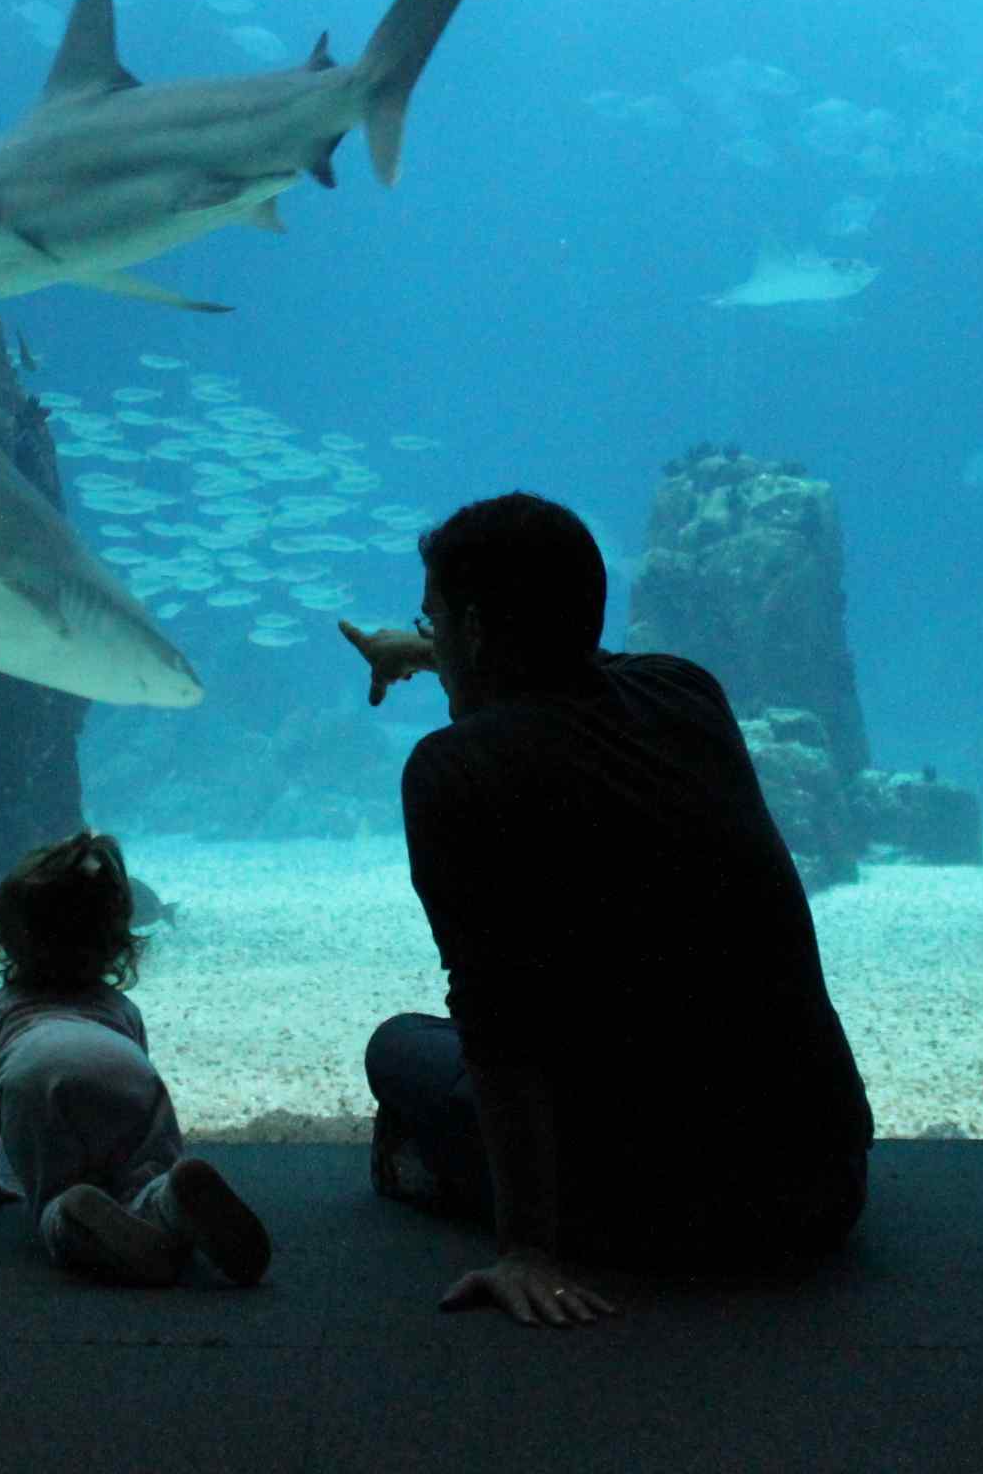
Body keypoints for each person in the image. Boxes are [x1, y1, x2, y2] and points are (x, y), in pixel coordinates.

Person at [341, 492, 873, 1326]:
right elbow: (570, 662)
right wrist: (432, 649)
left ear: (474, 631)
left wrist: (527, 1249)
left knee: (399, 1049)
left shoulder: (452, 770)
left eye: (434, 618)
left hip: (643, 1213)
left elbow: (498, 1018)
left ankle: (440, 1170)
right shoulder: (688, 693)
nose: (432, 635)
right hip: (824, 1185)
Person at [0, 830, 273, 1288]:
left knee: (57, 1201)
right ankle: (170, 1197)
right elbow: (138, 1098)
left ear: (7, 938)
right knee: (141, 1173)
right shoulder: (122, 1009)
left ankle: (75, 1210)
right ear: (115, 943)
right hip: (123, 1070)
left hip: (36, 1076)